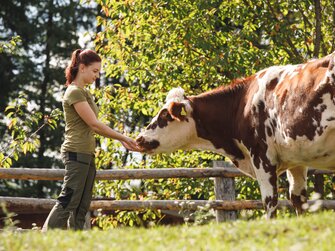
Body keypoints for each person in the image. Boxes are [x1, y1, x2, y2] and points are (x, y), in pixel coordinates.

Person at [42, 49, 140, 231]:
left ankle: (77, 243)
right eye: (94, 71)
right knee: (69, 199)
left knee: (82, 204)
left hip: (87, 153)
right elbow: (94, 125)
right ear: (82, 67)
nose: (97, 75)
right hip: (76, 152)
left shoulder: (84, 92)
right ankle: (43, 240)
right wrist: (122, 138)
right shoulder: (74, 92)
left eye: (98, 72)